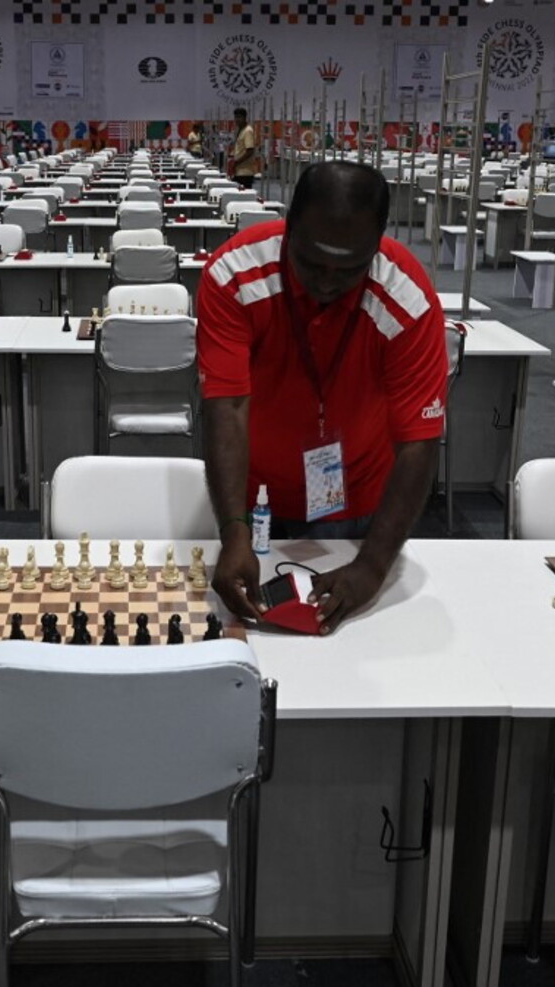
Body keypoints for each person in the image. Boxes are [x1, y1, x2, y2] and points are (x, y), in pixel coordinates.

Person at [196, 161, 448, 635]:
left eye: (350, 268)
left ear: (377, 246)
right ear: (288, 227)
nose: (329, 280)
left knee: (346, 647)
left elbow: (418, 443)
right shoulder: (233, 274)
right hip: (254, 501)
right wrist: (234, 530)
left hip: (359, 505)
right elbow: (226, 407)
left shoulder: (407, 298)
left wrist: (372, 567)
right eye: (312, 262)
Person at [230, 107, 257, 189]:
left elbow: (250, 151)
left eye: (239, 117)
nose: (237, 120)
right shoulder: (240, 130)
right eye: (236, 117)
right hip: (238, 171)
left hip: (245, 172)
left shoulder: (248, 131)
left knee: (243, 194)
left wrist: (236, 162)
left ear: (245, 117)